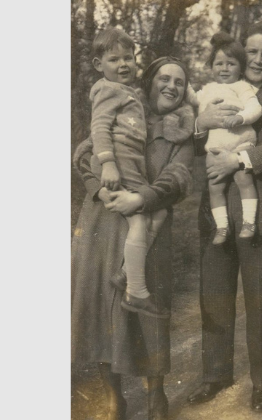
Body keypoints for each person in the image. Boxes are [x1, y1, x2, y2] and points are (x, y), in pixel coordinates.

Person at [71, 57, 195, 420]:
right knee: (101, 312)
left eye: (179, 81)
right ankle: (114, 400)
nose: (171, 86)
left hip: (148, 228)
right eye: (164, 78)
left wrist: (139, 199)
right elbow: (83, 155)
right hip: (104, 222)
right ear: (150, 81)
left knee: (149, 314)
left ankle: (156, 395)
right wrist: (99, 190)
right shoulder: (123, 108)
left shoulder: (182, 130)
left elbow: (177, 179)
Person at [187, 23, 262, 414]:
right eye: (252, 51)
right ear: (241, 51)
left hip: (261, 208)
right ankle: (215, 375)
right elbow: (190, 138)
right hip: (216, 207)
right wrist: (200, 124)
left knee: (261, 301)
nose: (257, 59)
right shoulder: (217, 86)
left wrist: (240, 159)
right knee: (214, 296)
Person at [85, 28, 169, 318]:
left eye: (128, 58)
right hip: (117, 164)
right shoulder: (107, 90)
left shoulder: (128, 93)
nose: (123, 64)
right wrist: (107, 163)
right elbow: (99, 127)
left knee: (159, 213)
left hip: (130, 165)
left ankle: (126, 272)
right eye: (114, 59)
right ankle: (136, 292)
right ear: (99, 65)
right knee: (139, 219)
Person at [187, 32, 262, 244]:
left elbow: (255, 108)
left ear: (241, 68)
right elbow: (193, 98)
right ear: (211, 67)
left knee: (244, 179)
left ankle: (249, 222)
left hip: (240, 143)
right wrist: (183, 81)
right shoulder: (208, 89)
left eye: (231, 64)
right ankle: (222, 227)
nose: (224, 68)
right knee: (215, 186)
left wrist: (241, 117)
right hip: (216, 147)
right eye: (219, 64)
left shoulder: (242, 86)